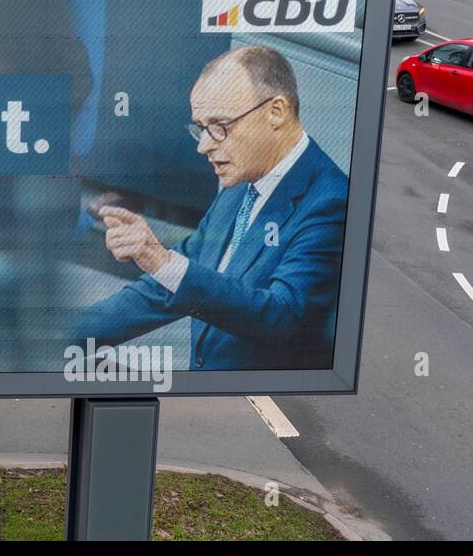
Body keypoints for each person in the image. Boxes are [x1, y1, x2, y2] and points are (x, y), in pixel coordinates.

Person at [62, 45, 348, 371]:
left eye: (220, 126)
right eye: (201, 127)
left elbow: (280, 317)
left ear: (276, 112)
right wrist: (63, 336)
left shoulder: (331, 202)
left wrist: (161, 260)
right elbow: (169, 282)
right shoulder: (241, 182)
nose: (204, 145)